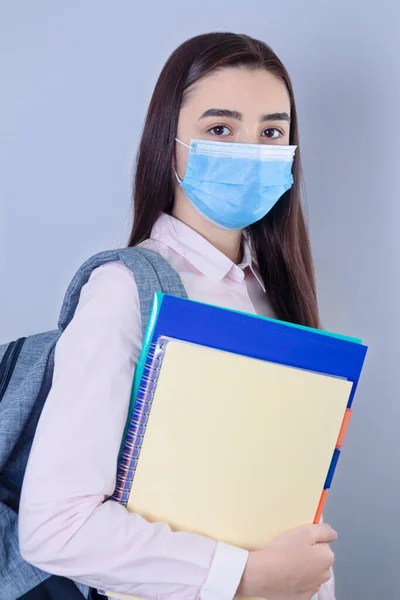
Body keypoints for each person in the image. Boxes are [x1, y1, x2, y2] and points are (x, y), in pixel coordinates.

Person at [19, 32, 337, 600]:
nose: (251, 148)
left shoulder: (276, 295)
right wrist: (243, 578)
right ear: (168, 144)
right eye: (220, 129)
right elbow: (53, 528)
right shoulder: (125, 291)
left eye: (271, 131)